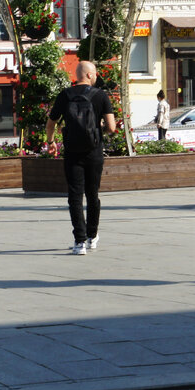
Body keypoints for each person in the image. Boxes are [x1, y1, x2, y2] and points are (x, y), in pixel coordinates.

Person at [45, 61, 118, 255]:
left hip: (72, 152)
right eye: (94, 74)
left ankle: (79, 242)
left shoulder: (65, 95)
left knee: (74, 197)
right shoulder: (100, 95)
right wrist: (97, 129)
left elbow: (51, 123)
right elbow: (112, 128)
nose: (96, 77)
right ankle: (91, 237)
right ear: (89, 75)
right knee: (92, 195)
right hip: (94, 152)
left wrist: (51, 142)